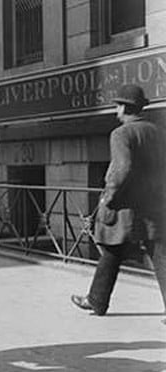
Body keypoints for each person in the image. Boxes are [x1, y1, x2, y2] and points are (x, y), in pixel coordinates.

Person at [71, 84, 166, 316]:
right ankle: (96, 299)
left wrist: (108, 199)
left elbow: (122, 169)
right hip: (155, 205)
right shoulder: (159, 132)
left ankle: (96, 301)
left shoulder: (121, 134)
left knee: (113, 249)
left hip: (126, 207)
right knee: (160, 257)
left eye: (118, 106)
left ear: (125, 107)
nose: (116, 112)